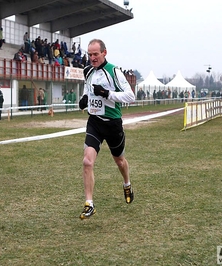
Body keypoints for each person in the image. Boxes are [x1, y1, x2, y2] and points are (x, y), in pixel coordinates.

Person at [78, 39, 135, 219]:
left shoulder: (114, 72)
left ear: (104, 53)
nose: (92, 58)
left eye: (96, 54)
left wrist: (107, 94)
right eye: (90, 54)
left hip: (112, 123)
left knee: (119, 161)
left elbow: (130, 96)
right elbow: (88, 90)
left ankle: (127, 184)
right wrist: (84, 98)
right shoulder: (87, 71)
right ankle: (89, 204)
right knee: (87, 161)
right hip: (94, 122)